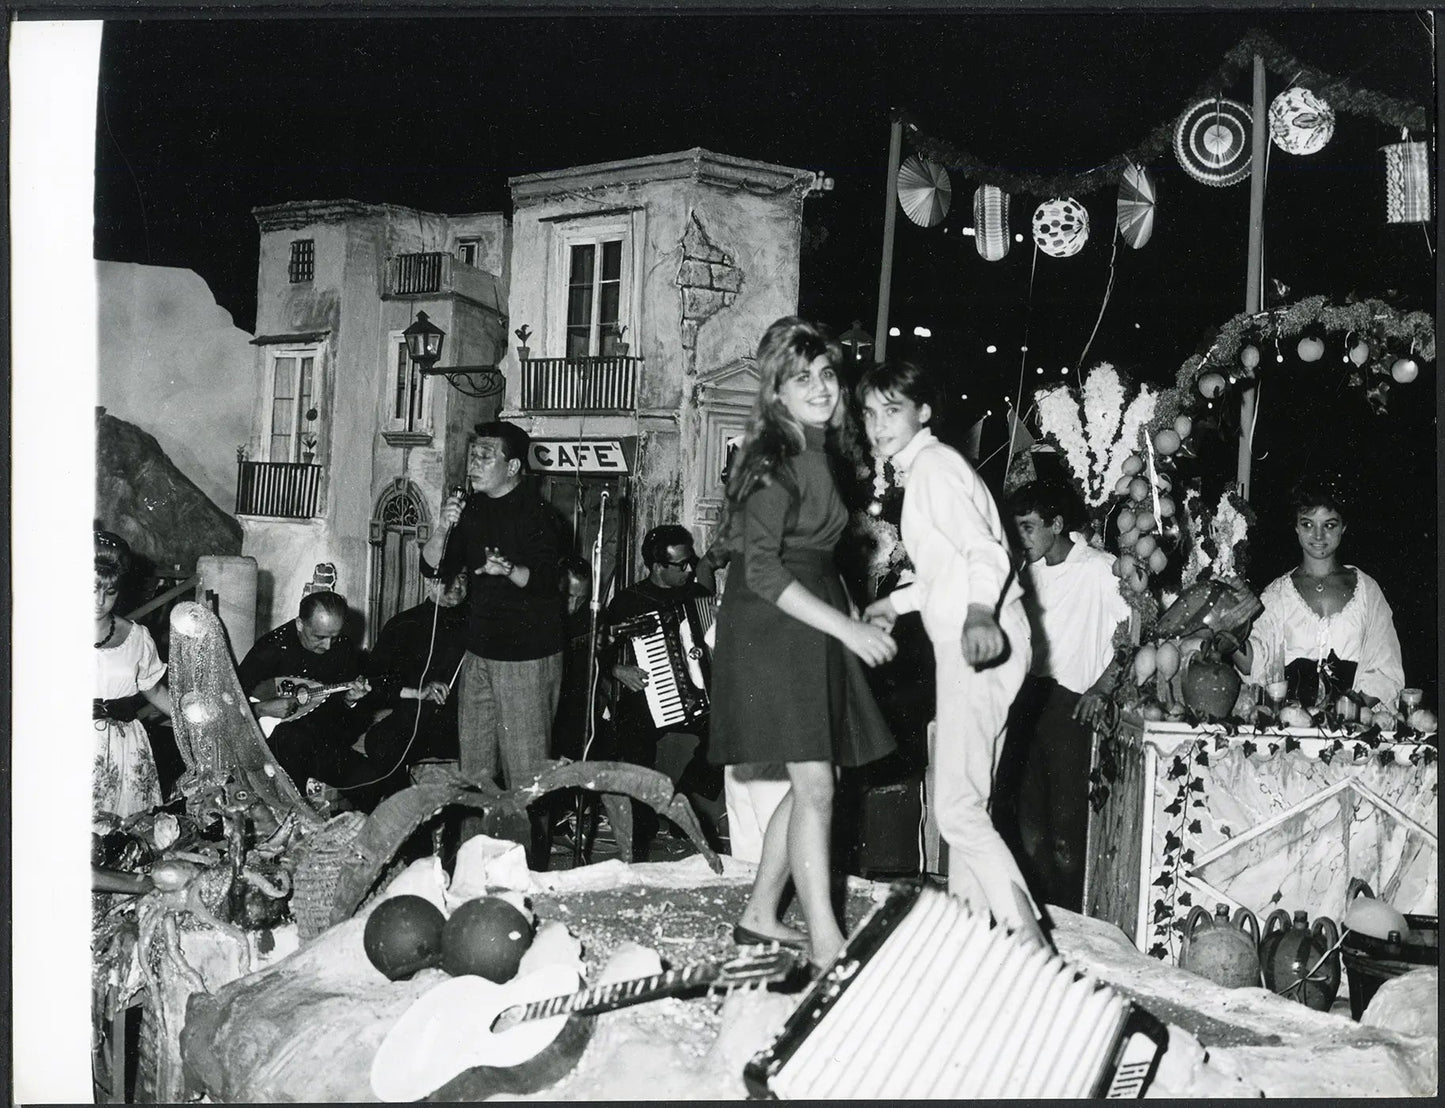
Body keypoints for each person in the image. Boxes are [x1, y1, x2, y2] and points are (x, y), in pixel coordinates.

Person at [709, 317, 897, 972]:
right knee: (815, 783)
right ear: (776, 392)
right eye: (800, 378)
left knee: (820, 779)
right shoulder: (771, 461)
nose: (819, 387)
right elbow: (760, 569)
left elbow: (815, 557)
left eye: (825, 374)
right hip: (771, 628)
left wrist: (857, 617)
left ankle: (760, 916)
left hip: (808, 621)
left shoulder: (816, 453)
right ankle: (826, 944)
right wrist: (844, 626)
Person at [859, 360, 1045, 944]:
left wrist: (979, 613)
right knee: (970, 804)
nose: (877, 424)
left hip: (979, 639)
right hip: (982, 636)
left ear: (923, 413)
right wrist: (901, 603)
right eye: (869, 412)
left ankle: (1029, 941)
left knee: (957, 809)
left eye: (892, 410)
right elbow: (946, 569)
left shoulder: (934, 468)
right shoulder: (930, 469)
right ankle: (973, 935)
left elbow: (984, 553)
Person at [421, 420, 565, 866]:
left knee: (525, 772)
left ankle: (526, 870)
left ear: (514, 465)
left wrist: (510, 571)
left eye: (486, 456)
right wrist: (443, 527)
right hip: (479, 650)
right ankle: (470, 866)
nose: (474, 464)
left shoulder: (541, 516)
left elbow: (548, 580)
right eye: (473, 455)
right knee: (475, 771)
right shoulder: (471, 511)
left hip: (526, 655)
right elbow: (433, 568)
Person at [1003, 479, 1130, 913]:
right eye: (1016, 528)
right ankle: (1042, 926)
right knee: (1029, 831)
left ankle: (1074, 924)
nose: (1023, 538)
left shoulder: (1099, 568)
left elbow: (1133, 631)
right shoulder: (1025, 570)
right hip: (1027, 704)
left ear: (1056, 524)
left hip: (1071, 709)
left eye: (1030, 527)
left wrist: (1104, 685)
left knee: (1067, 837)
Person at [603, 524, 723, 858]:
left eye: (690, 562)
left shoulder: (698, 596)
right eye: (681, 565)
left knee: (727, 729)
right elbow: (599, 654)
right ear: (657, 567)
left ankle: (680, 802)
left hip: (697, 700)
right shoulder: (627, 602)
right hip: (646, 698)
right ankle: (642, 827)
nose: (689, 569)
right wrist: (617, 670)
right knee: (631, 738)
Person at [1244, 478, 1405, 715]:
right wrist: (1229, 633)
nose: (1318, 536)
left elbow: (1386, 668)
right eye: (1308, 524)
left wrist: (1348, 711)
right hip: (1291, 728)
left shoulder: (1367, 590)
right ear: (1296, 526)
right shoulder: (1277, 594)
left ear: (1344, 526)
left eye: (1329, 525)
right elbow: (1256, 664)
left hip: (1353, 728)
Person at [237, 591, 381, 809]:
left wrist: (350, 701)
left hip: (322, 742)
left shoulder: (342, 648)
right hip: (280, 744)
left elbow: (347, 724)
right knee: (291, 740)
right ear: (299, 624)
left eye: (334, 636)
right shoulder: (271, 649)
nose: (328, 646)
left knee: (373, 781)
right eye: (319, 637)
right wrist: (261, 709)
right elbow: (228, 703)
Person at [360, 570, 470, 797]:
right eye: (449, 578)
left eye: (463, 577)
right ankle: (410, 819)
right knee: (380, 742)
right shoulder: (403, 624)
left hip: (466, 725)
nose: (457, 585)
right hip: (416, 720)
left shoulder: (479, 625)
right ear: (429, 581)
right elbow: (375, 684)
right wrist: (418, 692)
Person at [94, 530, 172, 823]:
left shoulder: (137, 637)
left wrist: (195, 722)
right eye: (91, 588)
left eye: (110, 592)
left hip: (126, 750)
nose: (100, 601)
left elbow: (154, 691)